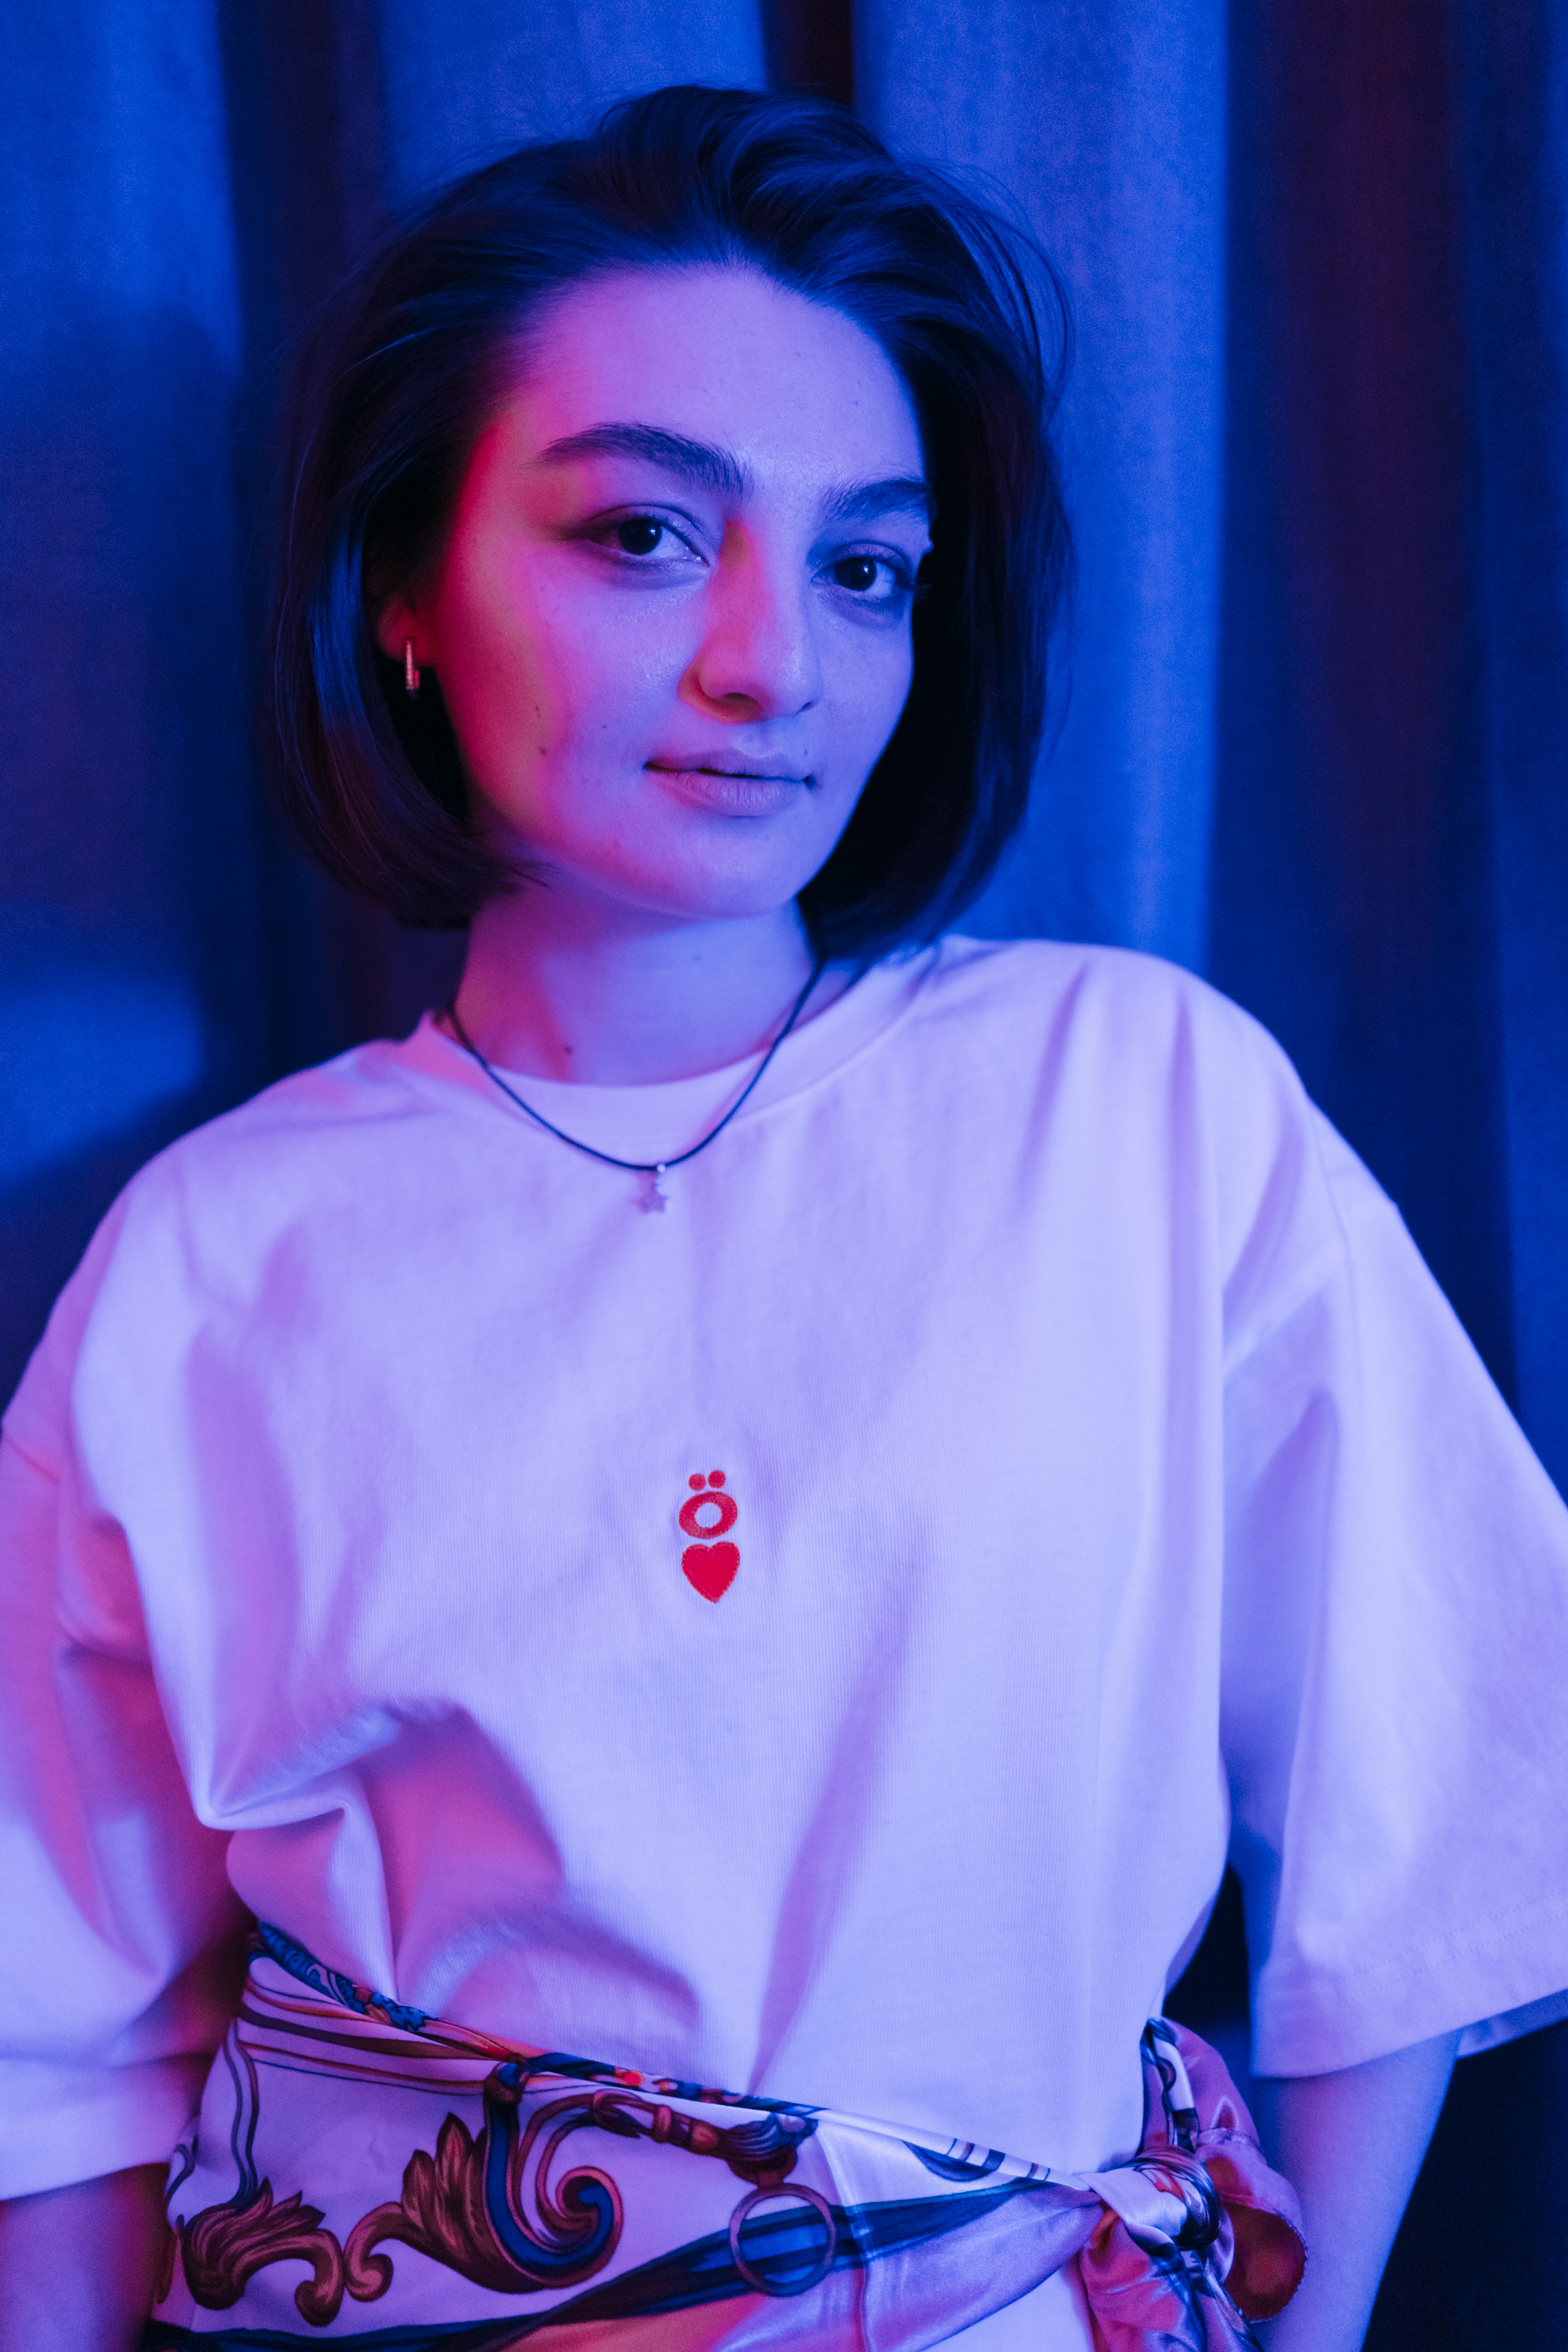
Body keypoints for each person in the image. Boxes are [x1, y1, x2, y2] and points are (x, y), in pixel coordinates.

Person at [2, 84, 1566, 2352]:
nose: (778, 663)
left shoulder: (1133, 1104)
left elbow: (1427, 1795)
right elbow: (59, 2045)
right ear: (405, 589)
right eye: (646, 535)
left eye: (866, 568)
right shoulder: (213, 1261)